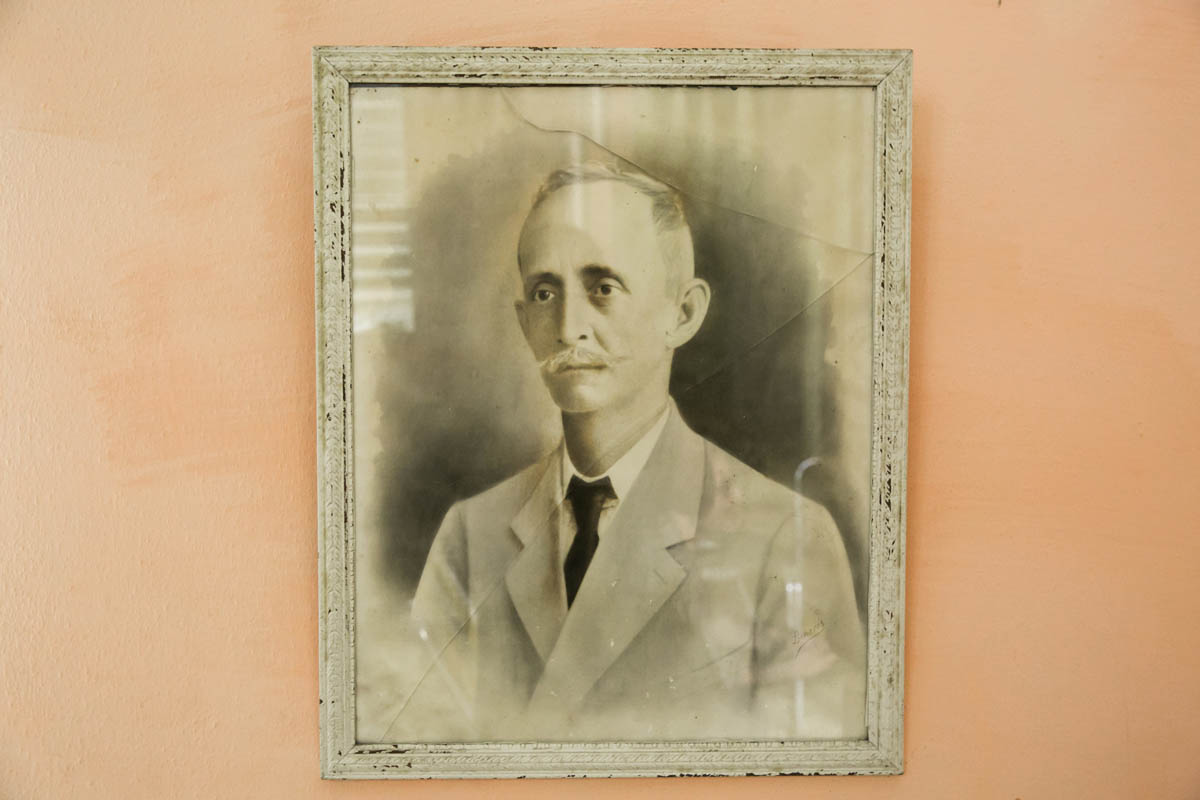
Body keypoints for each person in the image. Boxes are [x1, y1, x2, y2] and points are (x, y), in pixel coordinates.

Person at [387, 161, 865, 742]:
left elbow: (816, 768)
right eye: (544, 293)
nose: (568, 327)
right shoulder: (470, 536)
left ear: (682, 314)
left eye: (602, 287)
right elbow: (416, 748)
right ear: (523, 321)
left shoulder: (785, 538)